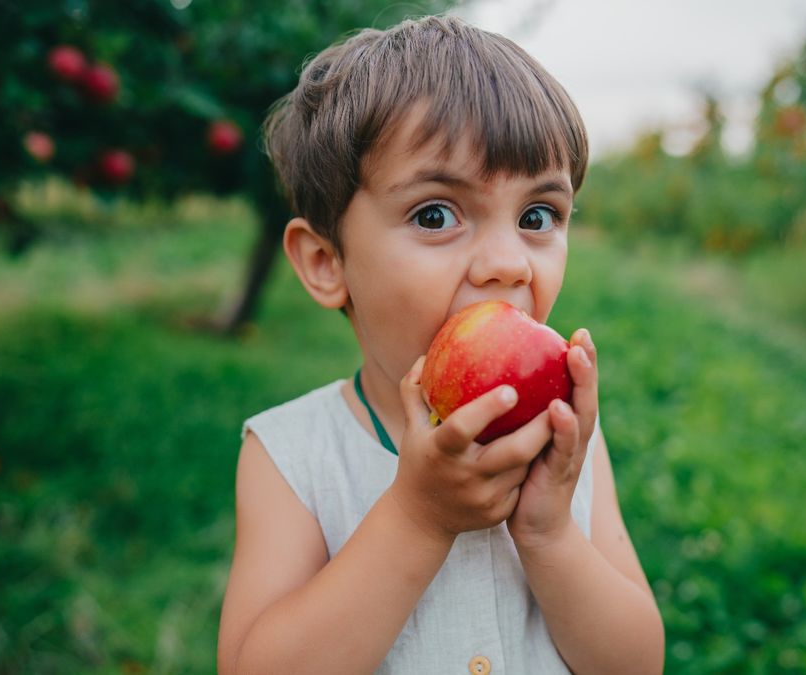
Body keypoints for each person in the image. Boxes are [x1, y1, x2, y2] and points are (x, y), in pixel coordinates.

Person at [217, 14, 664, 675]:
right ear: (326, 262)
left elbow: (636, 663)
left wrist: (548, 531)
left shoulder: (567, 441)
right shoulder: (294, 455)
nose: (508, 262)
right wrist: (418, 518)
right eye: (435, 215)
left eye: (537, 216)